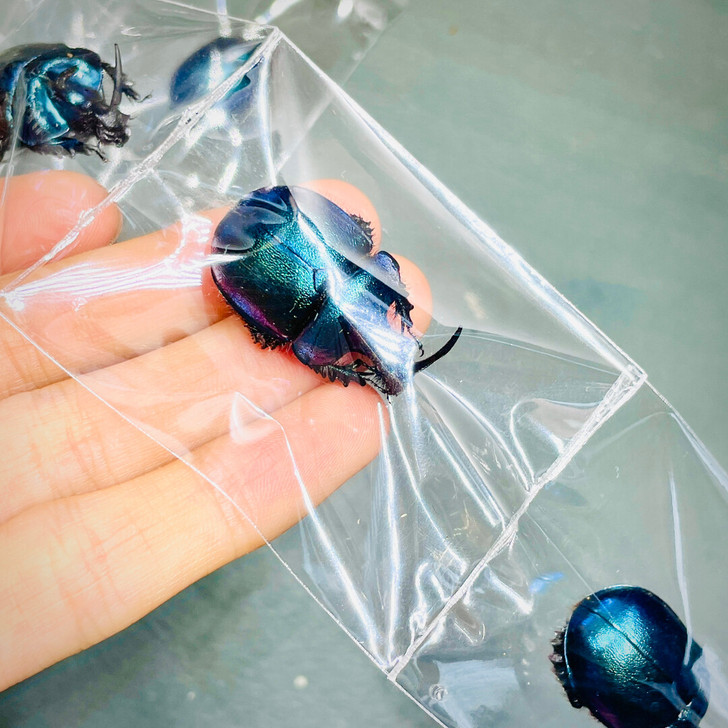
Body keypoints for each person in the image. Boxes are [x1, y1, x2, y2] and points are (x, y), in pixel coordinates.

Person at [0, 170, 431, 692]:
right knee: (295, 324)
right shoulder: (317, 315)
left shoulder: (329, 296)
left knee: (303, 313)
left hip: (270, 240)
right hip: (267, 248)